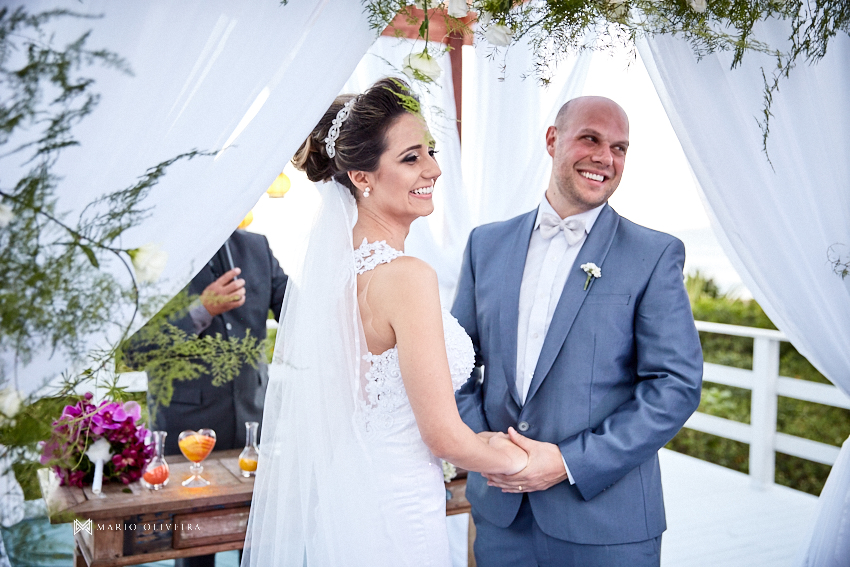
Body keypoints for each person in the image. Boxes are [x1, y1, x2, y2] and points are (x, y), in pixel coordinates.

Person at [241, 78, 528, 567]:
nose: (434, 169)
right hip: (397, 508)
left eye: (431, 152)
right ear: (361, 177)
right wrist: (529, 462)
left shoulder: (335, 275)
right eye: (412, 157)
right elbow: (442, 436)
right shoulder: (406, 277)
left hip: (349, 493)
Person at [452, 96, 704, 566]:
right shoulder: (484, 244)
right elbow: (456, 365)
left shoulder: (654, 254)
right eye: (590, 138)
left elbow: (675, 386)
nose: (605, 157)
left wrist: (569, 463)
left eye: (620, 147)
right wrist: (483, 448)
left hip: (608, 524)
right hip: (503, 519)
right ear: (553, 140)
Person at [126, 229, 287, 567]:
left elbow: (297, 311)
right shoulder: (155, 254)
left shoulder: (257, 246)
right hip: (187, 434)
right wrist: (201, 310)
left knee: (259, 546)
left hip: (253, 429)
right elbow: (135, 351)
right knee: (193, 548)